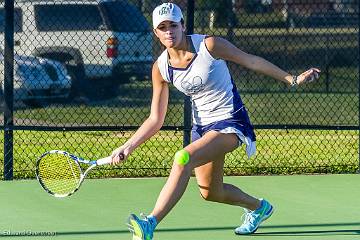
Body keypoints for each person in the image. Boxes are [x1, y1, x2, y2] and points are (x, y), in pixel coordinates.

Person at [110, 3, 320, 240]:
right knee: (211, 192)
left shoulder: (209, 45)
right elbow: (155, 118)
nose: (169, 31)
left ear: (182, 25)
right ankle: (259, 208)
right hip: (202, 128)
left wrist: (292, 79)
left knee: (182, 158)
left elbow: (250, 61)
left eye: (173, 25)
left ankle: (150, 222)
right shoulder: (160, 68)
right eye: (162, 27)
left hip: (230, 121)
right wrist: (128, 145)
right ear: (156, 33)